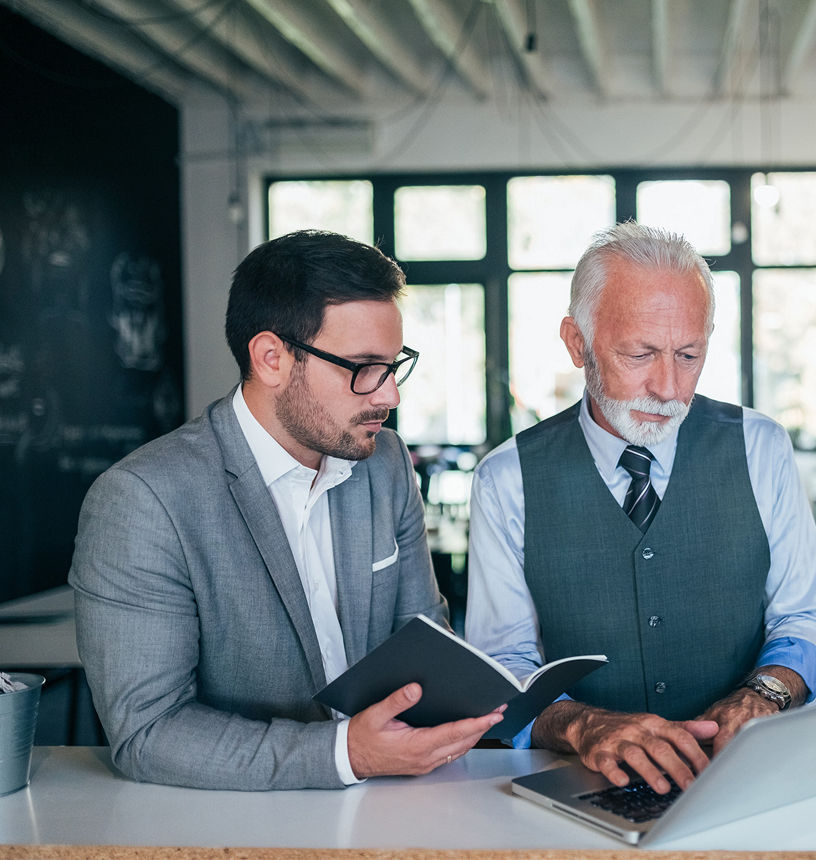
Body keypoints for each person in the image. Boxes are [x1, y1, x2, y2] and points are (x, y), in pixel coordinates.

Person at [70, 230, 503, 790]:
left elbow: (422, 642)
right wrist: (347, 754)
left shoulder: (385, 463)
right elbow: (148, 734)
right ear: (271, 359)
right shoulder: (143, 500)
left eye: (394, 365)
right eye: (363, 367)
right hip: (235, 820)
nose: (390, 395)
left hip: (397, 800)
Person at [466, 221, 816, 796]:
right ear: (577, 343)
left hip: (739, 778)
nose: (668, 388)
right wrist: (580, 724)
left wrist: (764, 694)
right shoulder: (506, 478)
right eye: (640, 354)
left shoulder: (761, 447)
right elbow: (503, 664)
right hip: (577, 781)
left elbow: (807, 617)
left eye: (689, 355)